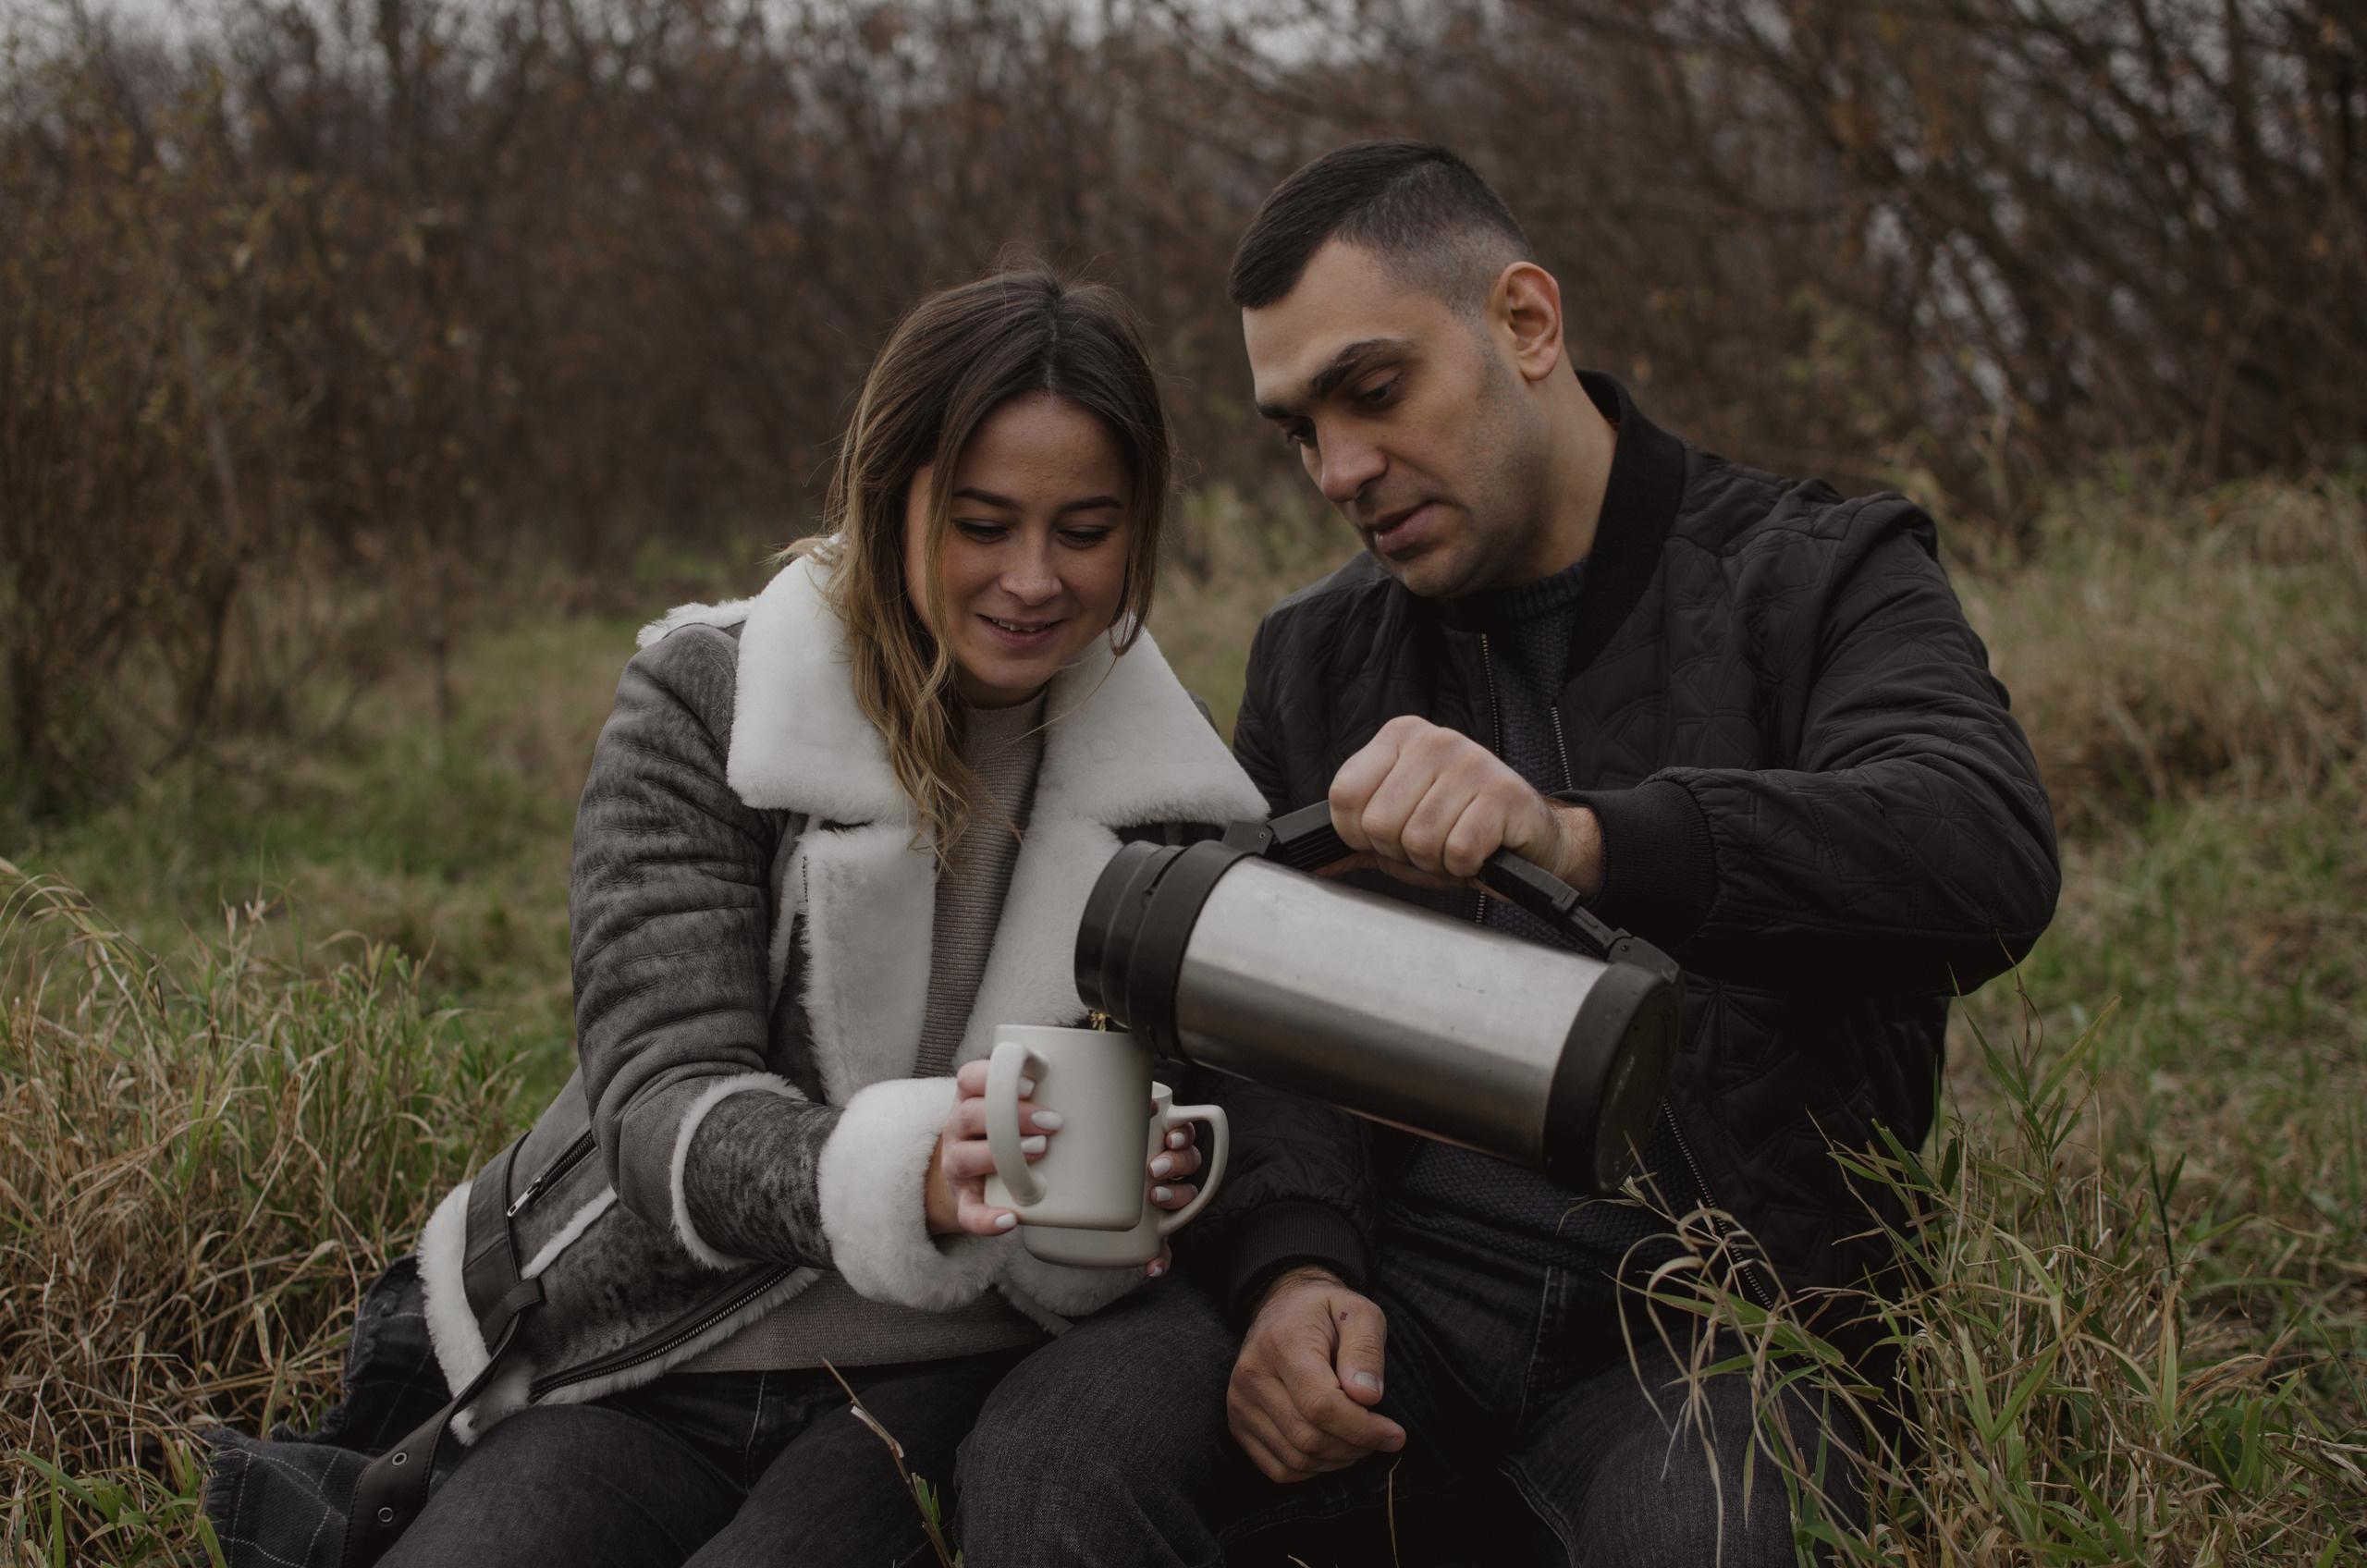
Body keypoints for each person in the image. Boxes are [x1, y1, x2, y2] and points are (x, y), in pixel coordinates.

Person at [955, 143, 2062, 1564]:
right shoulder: (1318, 653)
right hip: (1399, 1309)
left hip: (1720, 1330)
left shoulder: (1819, 571)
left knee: (1709, 1537)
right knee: (1054, 1460)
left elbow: (1979, 850)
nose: (1343, 469)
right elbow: (1242, 1028)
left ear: (1526, 324)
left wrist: (1581, 839)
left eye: (1374, 390)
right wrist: (1296, 1269)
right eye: (1300, 430)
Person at [212, 267, 1288, 1568]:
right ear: (888, 497)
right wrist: (899, 1178)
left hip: (955, 1369)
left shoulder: (1178, 802)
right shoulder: (711, 702)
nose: (1032, 580)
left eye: (1085, 530)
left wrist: (1134, 1197)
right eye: (983, 523)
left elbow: (1172, 1120)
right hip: (658, 1339)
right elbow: (660, 1095)